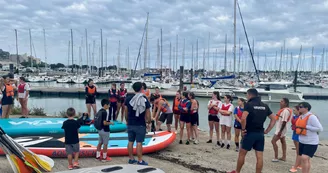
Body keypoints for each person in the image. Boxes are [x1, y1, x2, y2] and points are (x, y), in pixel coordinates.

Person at [229, 89, 276, 173]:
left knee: (242, 153)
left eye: (247, 95)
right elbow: (273, 119)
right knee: (259, 156)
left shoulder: (249, 104)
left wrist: (243, 129)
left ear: (250, 95)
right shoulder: (265, 105)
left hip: (249, 132)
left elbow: (243, 118)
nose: (246, 96)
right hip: (260, 134)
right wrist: (267, 130)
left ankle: (237, 171)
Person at [125, 82, 151, 165]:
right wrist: (149, 121)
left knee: (130, 141)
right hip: (140, 123)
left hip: (130, 123)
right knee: (139, 142)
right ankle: (140, 160)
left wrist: (127, 120)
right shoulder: (144, 98)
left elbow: (126, 111)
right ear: (141, 88)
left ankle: (131, 158)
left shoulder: (128, 99)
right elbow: (147, 112)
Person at [295, 102, 323, 173]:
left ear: (306, 108)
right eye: (299, 107)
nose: (299, 108)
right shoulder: (301, 116)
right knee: (305, 159)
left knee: (304, 158)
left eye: (301, 107)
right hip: (302, 140)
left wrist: (306, 127)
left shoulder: (311, 117)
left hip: (311, 142)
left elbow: (320, 128)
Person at [271, 98, 292, 162]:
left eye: (282, 101)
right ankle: (284, 157)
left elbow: (284, 122)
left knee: (273, 141)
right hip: (282, 129)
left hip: (281, 129)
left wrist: (280, 131)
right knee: (283, 141)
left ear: (286, 103)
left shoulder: (285, 111)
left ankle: (276, 157)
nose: (280, 102)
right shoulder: (284, 110)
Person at [289, 106, 302, 173]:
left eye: (294, 110)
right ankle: (299, 164)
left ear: (298, 110)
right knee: (297, 149)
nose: (293, 111)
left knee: (298, 150)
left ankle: (296, 165)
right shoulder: (294, 116)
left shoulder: (301, 117)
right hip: (295, 132)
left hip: (298, 134)